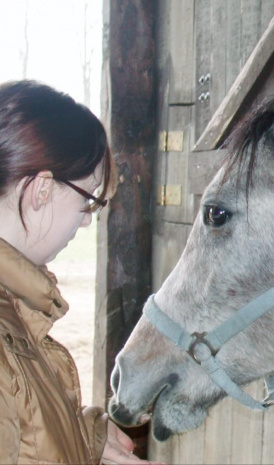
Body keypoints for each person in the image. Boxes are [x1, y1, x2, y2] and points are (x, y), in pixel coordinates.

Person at [0, 81, 159, 464]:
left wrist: (85, 437)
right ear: (42, 189)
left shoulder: (15, 306)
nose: (86, 224)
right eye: (88, 203)